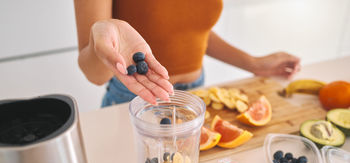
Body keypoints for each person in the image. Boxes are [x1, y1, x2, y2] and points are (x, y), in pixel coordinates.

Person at [74, 0, 300, 107]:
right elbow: (94, 74)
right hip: (134, 98)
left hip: (196, 93)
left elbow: (187, 28)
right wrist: (100, 38)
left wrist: (253, 63)